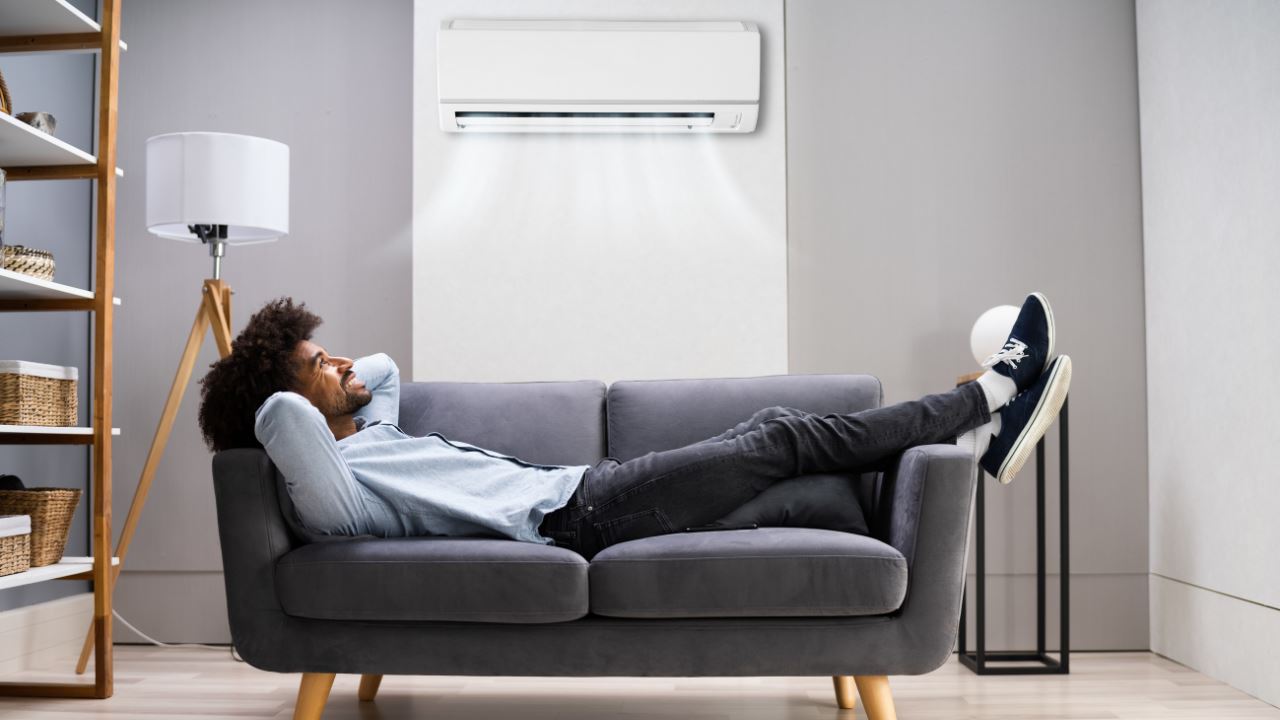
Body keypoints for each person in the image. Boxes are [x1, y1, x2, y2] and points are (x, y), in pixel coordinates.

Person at [198, 294, 1071, 559]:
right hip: (580, 517)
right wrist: (269, 379)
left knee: (794, 465)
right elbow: (276, 416)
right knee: (776, 440)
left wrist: (315, 369)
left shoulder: (370, 435)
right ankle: (992, 393)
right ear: (294, 405)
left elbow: (378, 374)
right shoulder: (343, 496)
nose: (345, 363)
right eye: (321, 364)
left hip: (588, 497)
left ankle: (971, 444)